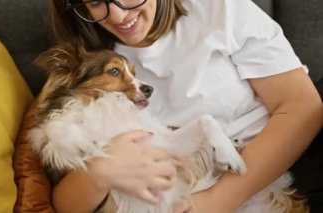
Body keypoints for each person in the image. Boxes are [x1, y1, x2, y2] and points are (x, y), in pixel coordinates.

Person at [47, 0, 323, 212]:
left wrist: (216, 201)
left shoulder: (218, 9)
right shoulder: (86, 66)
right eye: (96, 2)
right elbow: (66, 202)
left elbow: (303, 106)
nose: (118, 15)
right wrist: (99, 172)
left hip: (280, 170)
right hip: (174, 190)